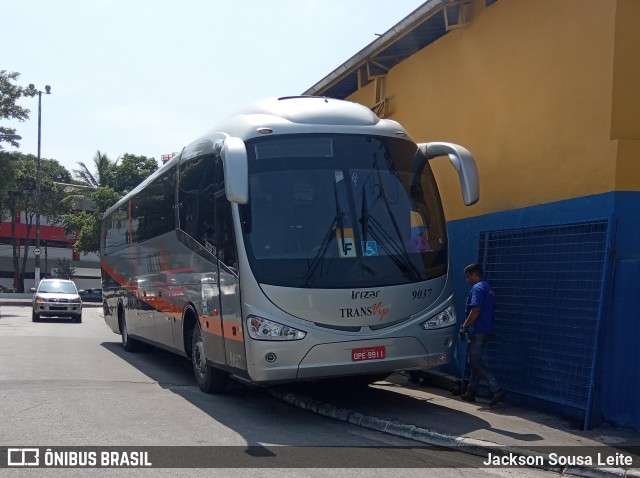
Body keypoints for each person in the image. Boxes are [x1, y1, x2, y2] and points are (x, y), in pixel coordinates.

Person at [459, 263, 505, 405]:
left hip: (478, 330)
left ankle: (496, 388)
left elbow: (476, 310)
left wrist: (464, 327)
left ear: (474, 275)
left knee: (475, 362)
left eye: (468, 277)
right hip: (486, 329)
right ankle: (470, 392)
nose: (467, 280)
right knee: (475, 362)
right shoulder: (487, 287)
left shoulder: (477, 288)